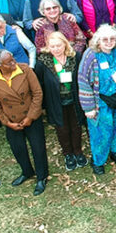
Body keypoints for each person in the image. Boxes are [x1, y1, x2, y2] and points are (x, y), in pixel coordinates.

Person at [0, 49, 48, 195]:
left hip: (31, 117)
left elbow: (37, 93)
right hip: (11, 121)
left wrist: (30, 117)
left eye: (13, 59)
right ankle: (27, 172)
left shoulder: (25, 70)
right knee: (18, 148)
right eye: (9, 63)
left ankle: (42, 177)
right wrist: (6, 122)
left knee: (38, 148)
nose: (14, 63)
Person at [77, 26, 116, 175]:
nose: (109, 42)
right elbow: (83, 81)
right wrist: (88, 108)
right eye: (105, 39)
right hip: (100, 101)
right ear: (98, 40)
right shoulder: (90, 55)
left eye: (112, 39)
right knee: (101, 131)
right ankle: (98, 161)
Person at [34, 32, 87, 172]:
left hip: (74, 98)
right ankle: (68, 154)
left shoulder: (75, 57)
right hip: (55, 101)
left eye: (58, 45)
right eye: (52, 46)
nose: (56, 49)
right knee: (62, 128)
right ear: (48, 47)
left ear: (65, 44)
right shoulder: (43, 62)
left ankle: (78, 151)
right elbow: (39, 83)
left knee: (76, 126)